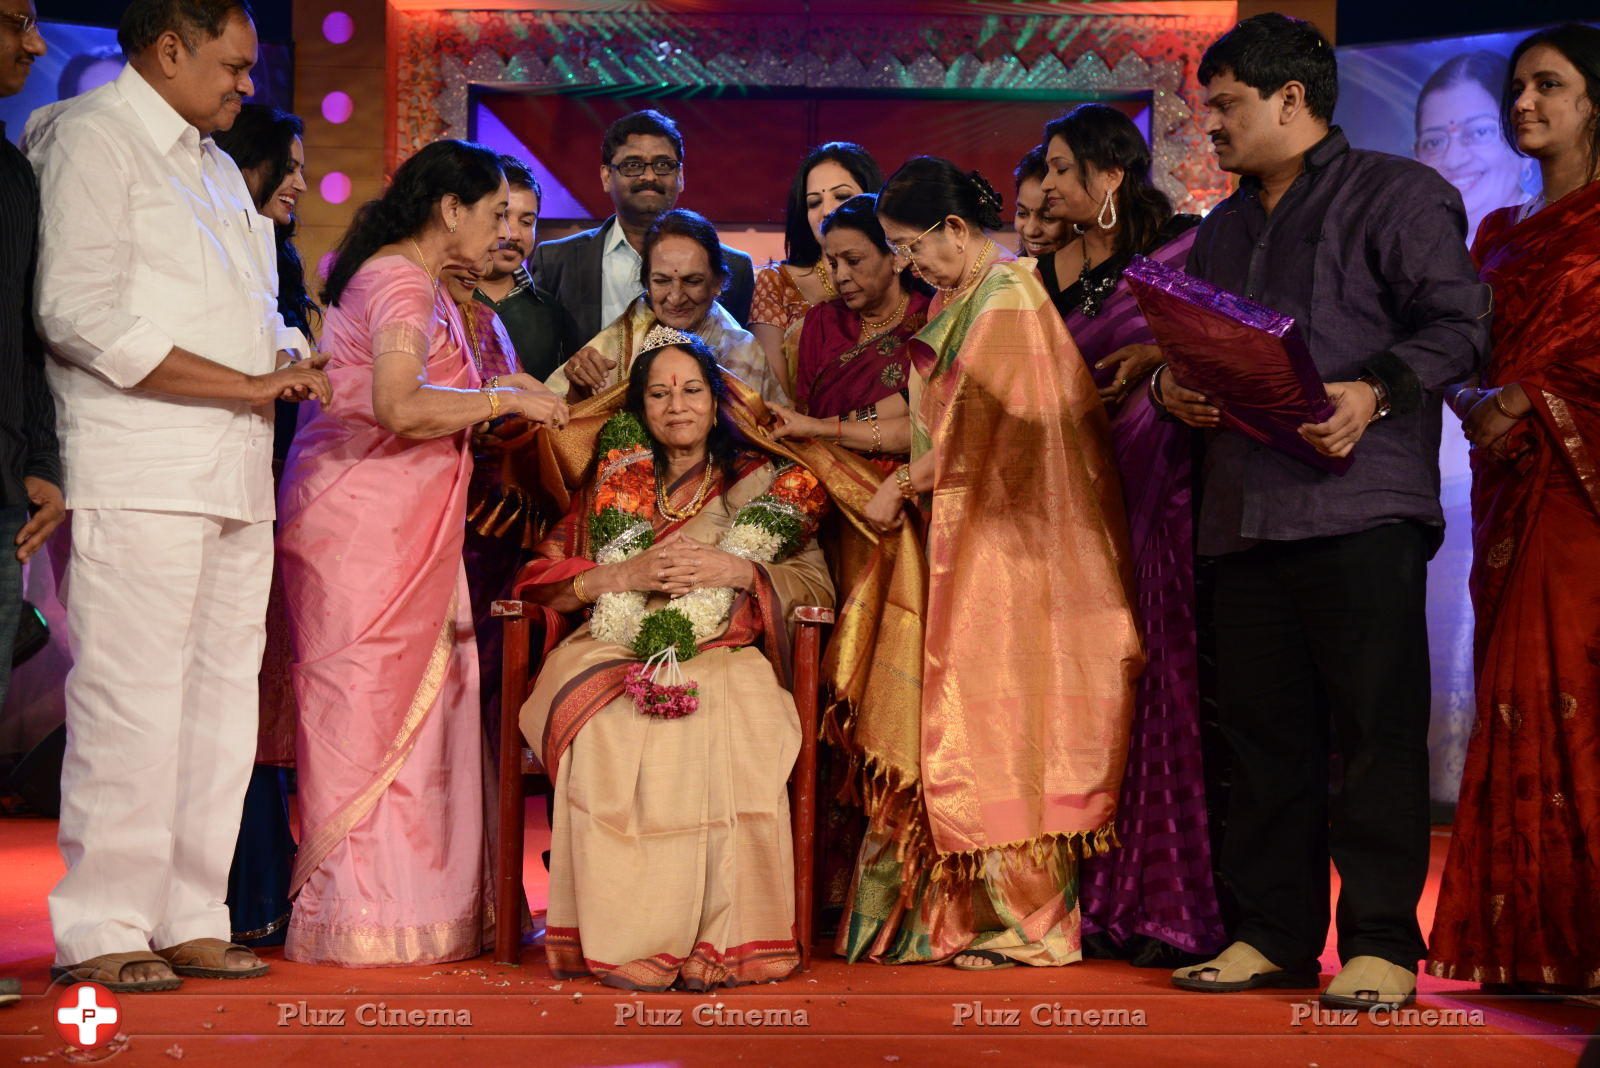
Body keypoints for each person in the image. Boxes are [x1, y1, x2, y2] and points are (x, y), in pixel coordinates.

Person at [1157, 15, 1489, 1009]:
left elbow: (1461, 325)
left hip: (1359, 507)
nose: (1207, 126)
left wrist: (1373, 390)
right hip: (1243, 511)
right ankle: (1271, 934)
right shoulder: (1219, 227)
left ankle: (1382, 942)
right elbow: (1197, 346)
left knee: (1375, 735)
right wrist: (1176, 391)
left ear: (1290, 101)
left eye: (1223, 105)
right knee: (1261, 740)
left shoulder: (1397, 191)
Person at [30, 0, 330, 992]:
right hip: (140, 467)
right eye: (234, 65)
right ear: (170, 48)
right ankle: (104, 921)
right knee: (132, 700)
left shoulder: (207, 160)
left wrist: (290, 355)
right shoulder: (92, 138)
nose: (248, 84)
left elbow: (251, 312)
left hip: (234, 476)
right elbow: (76, 311)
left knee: (216, 706)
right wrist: (249, 383)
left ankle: (191, 913)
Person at [828, 157, 1141, 971]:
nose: (905, 265)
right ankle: (956, 917)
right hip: (973, 543)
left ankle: (1026, 925)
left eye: (909, 247)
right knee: (964, 724)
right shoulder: (965, 297)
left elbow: (983, 440)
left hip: (1017, 559)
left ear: (956, 232)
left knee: (1003, 729)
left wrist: (900, 483)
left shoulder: (1006, 299)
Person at [277, 139, 566, 967]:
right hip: (362, 532)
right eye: (490, 211)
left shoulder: (427, 286)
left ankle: (430, 913)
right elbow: (401, 404)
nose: (499, 229)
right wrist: (506, 396)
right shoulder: (401, 281)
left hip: (409, 527)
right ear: (450, 210)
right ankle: (368, 923)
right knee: (371, 712)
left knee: (430, 707)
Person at [515, 335, 834, 990]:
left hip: (723, 642)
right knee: (604, 730)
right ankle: (626, 938)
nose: (676, 406)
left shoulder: (759, 479)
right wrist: (618, 574)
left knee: (729, 717)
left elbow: (815, 589)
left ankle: (719, 941)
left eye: (691, 390)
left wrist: (738, 568)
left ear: (716, 402)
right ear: (639, 407)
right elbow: (542, 577)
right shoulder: (613, 478)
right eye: (658, 393)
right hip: (613, 638)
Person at [1429, 23, 1600, 999]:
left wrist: (1531, 400)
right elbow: (1463, 357)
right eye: (1518, 88)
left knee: (1568, 689)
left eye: (1549, 85)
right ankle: (1532, 940)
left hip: (1577, 499)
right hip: (1503, 489)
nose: (1524, 103)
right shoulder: (1496, 235)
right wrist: (1471, 402)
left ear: (1592, 102)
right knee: (1507, 689)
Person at [1034, 102, 1224, 967]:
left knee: (1163, 677)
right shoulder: (1046, 271)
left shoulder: (1185, 246)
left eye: (1065, 169)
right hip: (1077, 499)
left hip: (1164, 488)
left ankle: (1170, 902)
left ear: (1110, 176)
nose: (1050, 183)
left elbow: (1220, 346)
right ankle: (1099, 897)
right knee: (1091, 688)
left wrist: (1154, 364)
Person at [211, 100, 312, 950]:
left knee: (253, 689)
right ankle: (233, 901)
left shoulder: (277, 252)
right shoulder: (215, 237)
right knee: (227, 691)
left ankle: (258, 898)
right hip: (217, 474)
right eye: (292, 164)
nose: (304, 184)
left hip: (273, 485)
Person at [530, 109, 755, 358]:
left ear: (680, 176)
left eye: (662, 165)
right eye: (633, 165)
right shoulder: (556, 261)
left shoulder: (735, 267)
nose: (649, 176)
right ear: (606, 176)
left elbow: (740, 362)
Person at [1, 0, 62, 731]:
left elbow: (26, 330)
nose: (36, 44)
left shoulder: (13, 174)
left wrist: (41, 454)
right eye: (18, 21)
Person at [546, 208, 777, 403]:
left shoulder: (746, 353)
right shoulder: (611, 348)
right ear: (646, 281)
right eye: (662, 281)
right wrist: (577, 390)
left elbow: (773, 432)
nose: (675, 298)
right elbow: (549, 417)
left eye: (692, 281)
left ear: (718, 283)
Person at [769, 194, 928, 434]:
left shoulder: (930, 320)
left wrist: (825, 429)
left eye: (853, 261)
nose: (840, 276)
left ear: (897, 257)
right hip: (825, 459)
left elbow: (927, 423)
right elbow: (807, 414)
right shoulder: (823, 321)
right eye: (833, 264)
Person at [750, 142, 881, 397]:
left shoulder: (904, 275)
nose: (827, 210)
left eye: (841, 196)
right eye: (813, 202)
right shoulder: (777, 283)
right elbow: (773, 393)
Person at [1415, 51, 1532, 243]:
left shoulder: (1557, 240)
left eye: (1479, 132)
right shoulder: (1403, 251)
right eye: (1434, 142)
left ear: (1523, 143)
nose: (1453, 160)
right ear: (1416, 158)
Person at [472, 154, 564, 381]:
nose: (512, 235)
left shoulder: (551, 312)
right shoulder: (446, 299)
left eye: (526, 222)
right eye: (501, 216)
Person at [1012, 144, 1067, 260]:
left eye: (1047, 217)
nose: (1030, 231)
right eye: (1022, 213)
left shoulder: (1103, 275)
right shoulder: (1008, 275)